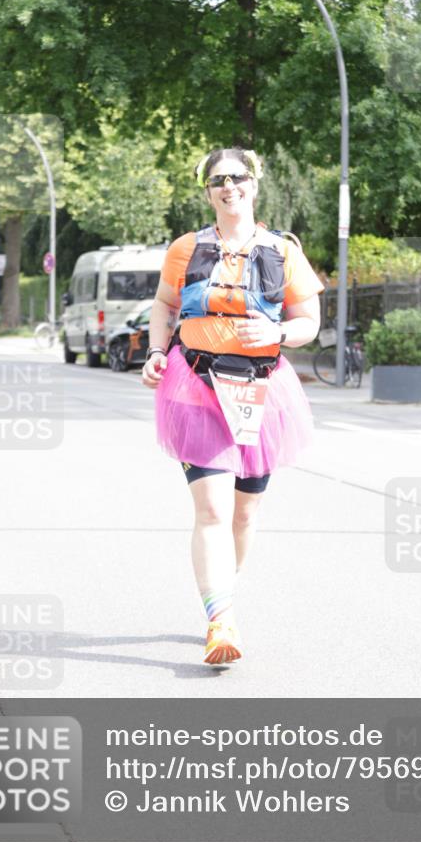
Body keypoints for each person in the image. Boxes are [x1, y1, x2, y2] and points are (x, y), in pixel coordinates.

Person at [142, 147, 323, 666]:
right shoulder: (186, 248)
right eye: (218, 180)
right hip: (194, 385)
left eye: (237, 177)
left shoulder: (283, 250)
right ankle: (220, 620)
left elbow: (309, 320)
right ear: (207, 192)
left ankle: (226, 588)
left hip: (260, 389)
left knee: (244, 512)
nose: (229, 187)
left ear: (254, 185)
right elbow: (164, 305)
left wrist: (278, 332)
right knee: (213, 510)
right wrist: (156, 351)